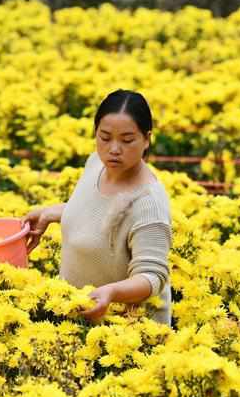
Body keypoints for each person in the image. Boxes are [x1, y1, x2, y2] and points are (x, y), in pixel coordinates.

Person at [23, 89, 172, 325]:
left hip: (126, 332)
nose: (113, 149)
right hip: (77, 311)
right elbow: (99, 212)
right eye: (104, 137)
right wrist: (51, 213)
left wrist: (110, 293)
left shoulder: (148, 204)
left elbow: (152, 277)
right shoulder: (96, 164)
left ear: (147, 139)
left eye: (127, 140)